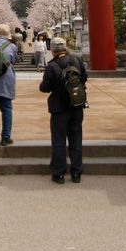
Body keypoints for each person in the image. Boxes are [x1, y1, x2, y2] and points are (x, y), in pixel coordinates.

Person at [39, 37, 87, 184]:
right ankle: (76, 172)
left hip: (59, 108)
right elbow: (84, 77)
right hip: (77, 105)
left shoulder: (52, 66)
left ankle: (59, 173)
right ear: (65, 47)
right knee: (76, 138)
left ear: (52, 50)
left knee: (59, 140)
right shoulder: (77, 60)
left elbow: (45, 87)